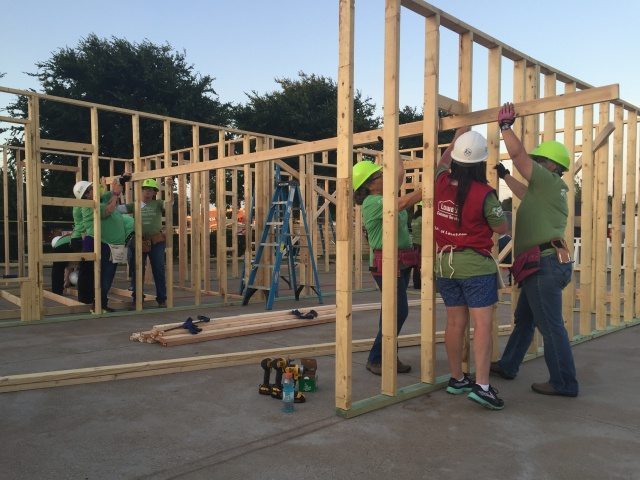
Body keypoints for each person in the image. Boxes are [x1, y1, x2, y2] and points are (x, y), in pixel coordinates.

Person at [490, 102, 579, 398]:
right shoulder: (548, 188)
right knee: (526, 320)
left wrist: (505, 128)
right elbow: (523, 193)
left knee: (550, 326)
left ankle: (564, 383)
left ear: (554, 166)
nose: (536, 164)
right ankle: (508, 365)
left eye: (542, 161)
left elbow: (518, 155)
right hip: (543, 264)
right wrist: (504, 177)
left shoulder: (548, 180)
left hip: (544, 265)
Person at [434, 128, 508, 410]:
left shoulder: (440, 182)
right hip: (475, 267)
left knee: (454, 323)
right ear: (480, 164)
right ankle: (483, 386)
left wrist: (455, 140)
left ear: (455, 159)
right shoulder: (485, 193)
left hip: (445, 266)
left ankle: (456, 378)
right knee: (482, 325)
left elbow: (440, 164)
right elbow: (501, 227)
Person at [353, 157, 422, 376]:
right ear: (369, 185)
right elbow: (402, 203)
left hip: (401, 261)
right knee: (398, 311)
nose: (384, 176)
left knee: (392, 312)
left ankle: (387, 355)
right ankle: (377, 358)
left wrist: (395, 155)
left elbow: (398, 176)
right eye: (379, 175)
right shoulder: (372, 202)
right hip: (385, 263)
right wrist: (427, 188)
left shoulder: (385, 196)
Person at [74, 177, 127, 313]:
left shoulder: (97, 200)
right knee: (103, 276)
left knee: (104, 276)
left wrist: (121, 179)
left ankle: (100, 303)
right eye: (92, 189)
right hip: (103, 244)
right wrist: (115, 194)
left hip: (110, 245)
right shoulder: (89, 206)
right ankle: (97, 305)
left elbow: (110, 194)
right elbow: (108, 209)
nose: (96, 189)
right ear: (86, 194)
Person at [119, 176, 170, 308]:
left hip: (156, 241)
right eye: (145, 189)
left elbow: (169, 204)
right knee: (137, 270)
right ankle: (137, 298)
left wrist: (169, 188)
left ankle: (161, 299)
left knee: (158, 269)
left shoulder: (158, 203)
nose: (147, 192)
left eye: (151, 190)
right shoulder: (135, 205)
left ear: (155, 193)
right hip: (139, 241)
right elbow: (117, 209)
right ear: (141, 191)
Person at [410, 203, 422, 289]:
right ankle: (419, 284)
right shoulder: (422, 219)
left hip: (415, 243)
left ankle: (416, 283)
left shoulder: (414, 219)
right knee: (421, 265)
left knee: (416, 265)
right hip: (421, 244)